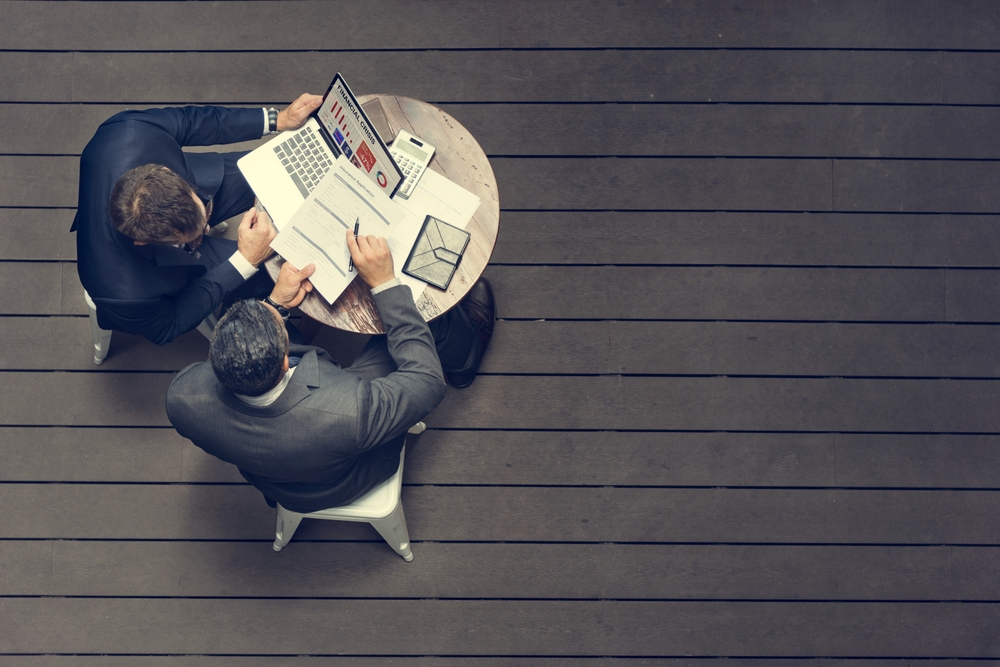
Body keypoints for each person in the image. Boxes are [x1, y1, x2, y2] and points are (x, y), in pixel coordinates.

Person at [165, 229, 495, 512]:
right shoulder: (349, 411)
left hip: (279, 483)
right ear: (284, 360)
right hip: (346, 477)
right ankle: (465, 359)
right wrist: (385, 285)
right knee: (423, 323)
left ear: (213, 354)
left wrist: (276, 302)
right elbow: (426, 382)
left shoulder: (182, 397)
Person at [73, 94, 323, 345]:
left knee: (279, 167)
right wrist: (245, 261)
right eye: (197, 231)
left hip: (200, 182)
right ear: (142, 242)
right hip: (177, 268)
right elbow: (170, 325)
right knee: (272, 270)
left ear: (165, 171)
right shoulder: (124, 293)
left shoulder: (130, 130)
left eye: (202, 216)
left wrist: (278, 119)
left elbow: (194, 122)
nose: (207, 227)